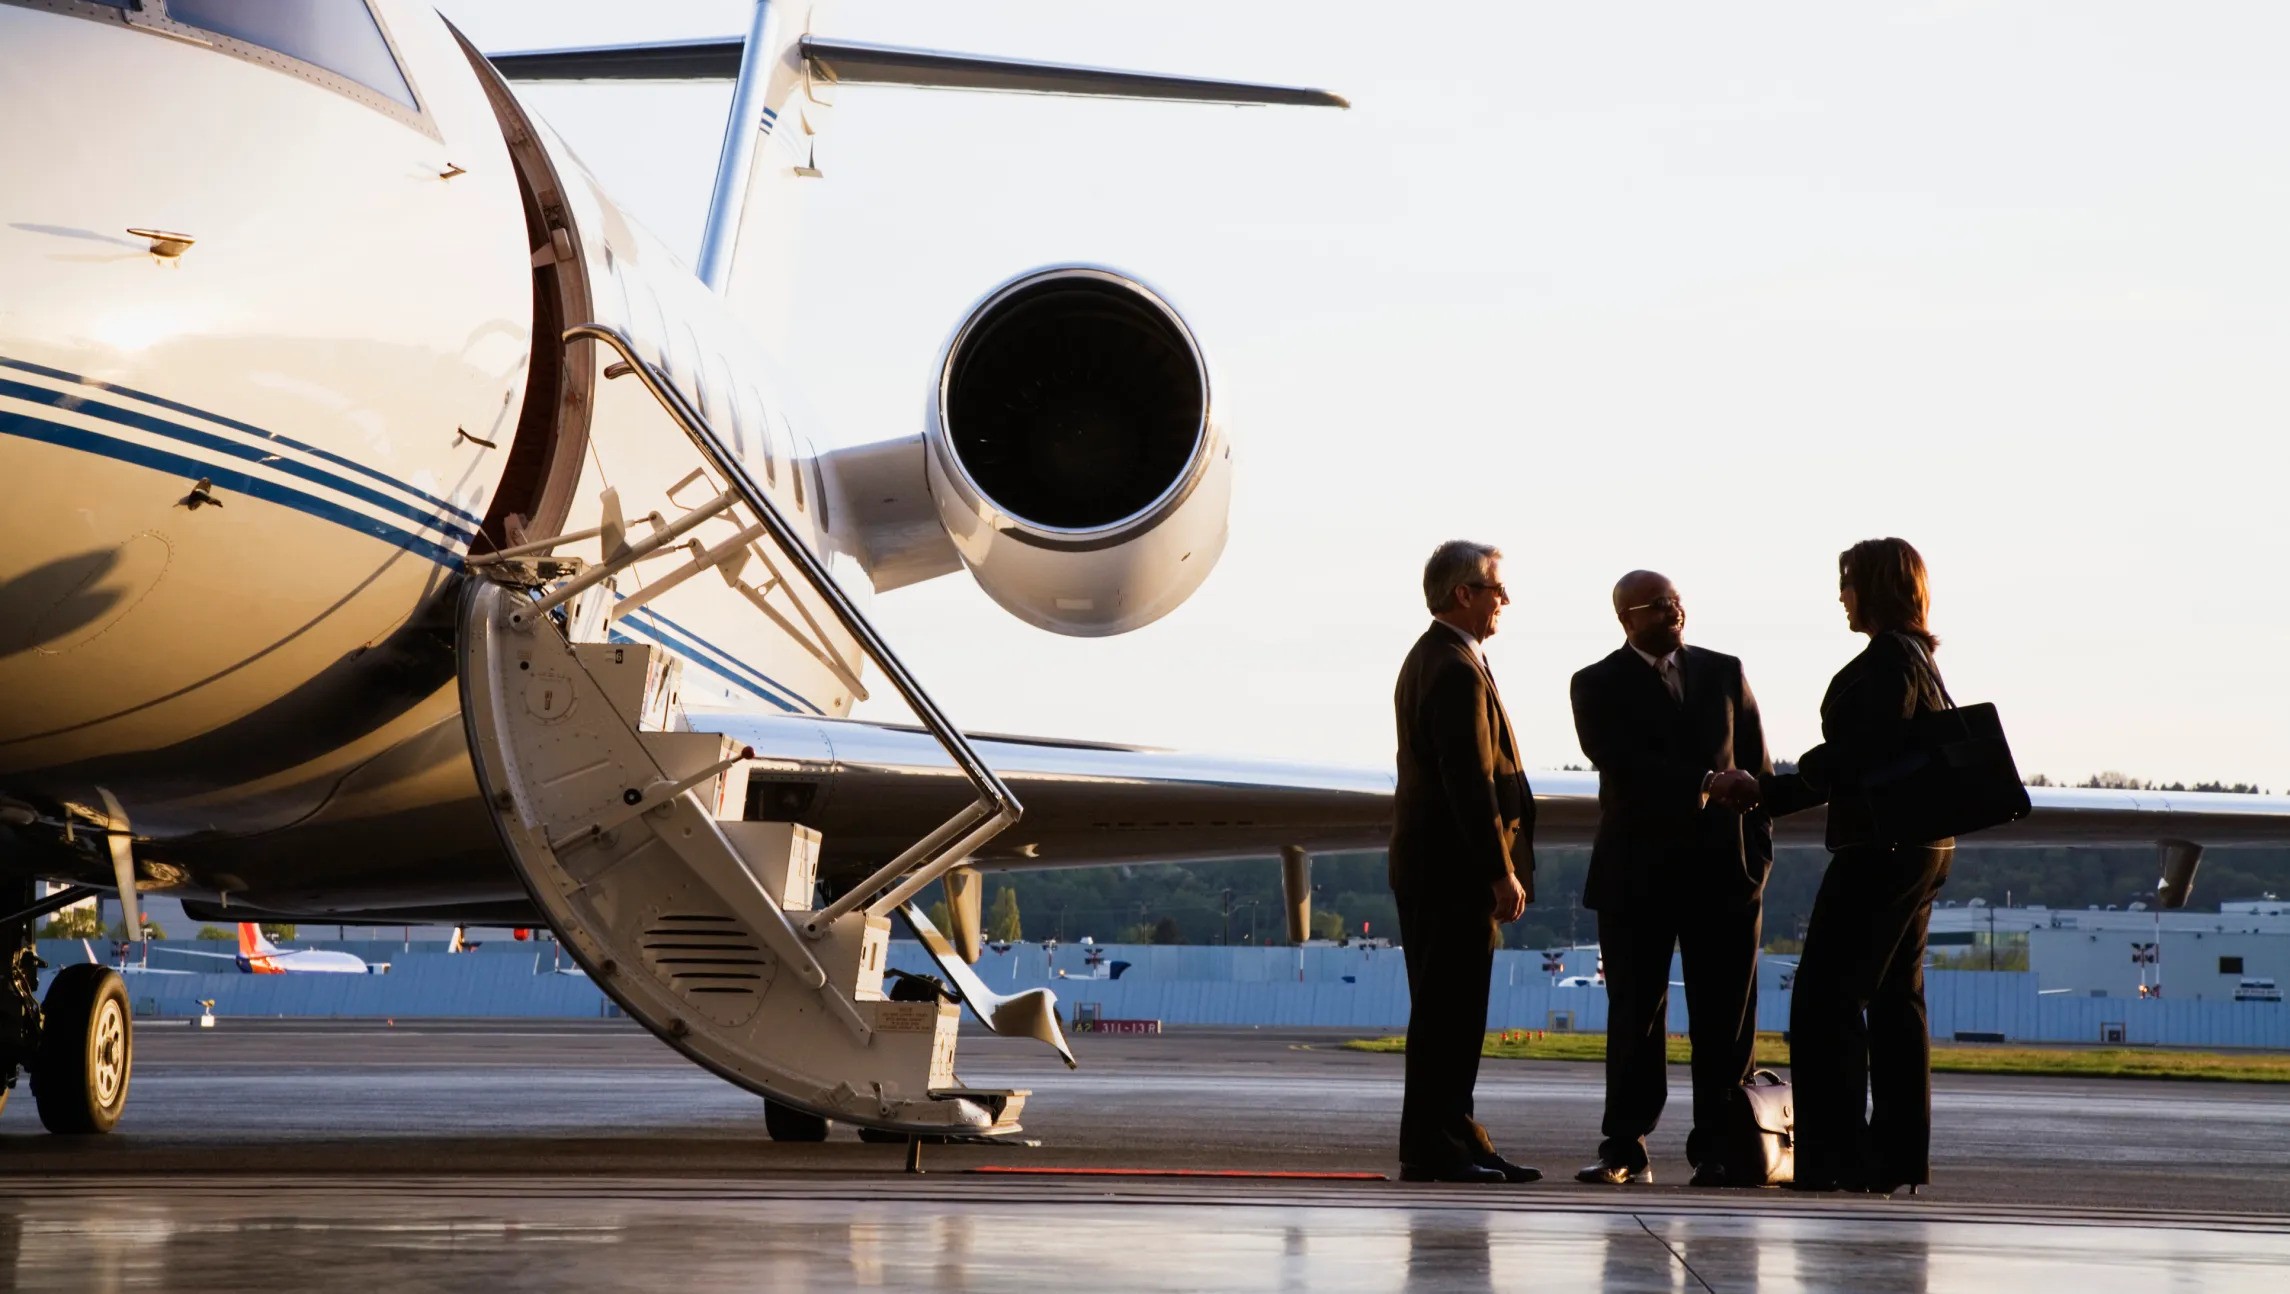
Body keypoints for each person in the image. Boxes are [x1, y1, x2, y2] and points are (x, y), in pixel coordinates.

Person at [1758, 537, 1954, 1194]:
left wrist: (1768, 791)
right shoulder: (1920, 660)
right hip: (1925, 847)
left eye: (1847, 583)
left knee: (1825, 1002)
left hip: (1882, 849)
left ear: (1873, 588)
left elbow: (1853, 757)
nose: (1841, 596)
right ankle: (1897, 1158)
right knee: (1900, 1001)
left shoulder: (1884, 665)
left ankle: (1837, 1158)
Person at [1568, 571, 1773, 1188]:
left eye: (1678, 601)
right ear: (1627, 618)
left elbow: (1759, 767)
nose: (1674, 611)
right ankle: (1624, 1147)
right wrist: (1706, 784)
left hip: (1724, 877)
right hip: (1637, 878)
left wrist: (1756, 859)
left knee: (1726, 1020)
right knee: (1636, 1015)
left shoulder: (1725, 671)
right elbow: (1622, 763)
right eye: (1659, 605)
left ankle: (1721, 1147)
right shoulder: (1596, 684)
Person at [1388, 539, 1540, 1184]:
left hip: (1439, 868)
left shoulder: (1445, 658)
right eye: (1496, 589)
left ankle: (1456, 1133)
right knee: (1448, 1015)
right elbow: (1469, 781)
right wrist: (1498, 870)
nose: (1504, 600)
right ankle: (1434, 1145)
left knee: (1451, 1012)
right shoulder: (1451, 666)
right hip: (1451, 871)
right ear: (1463, 594)